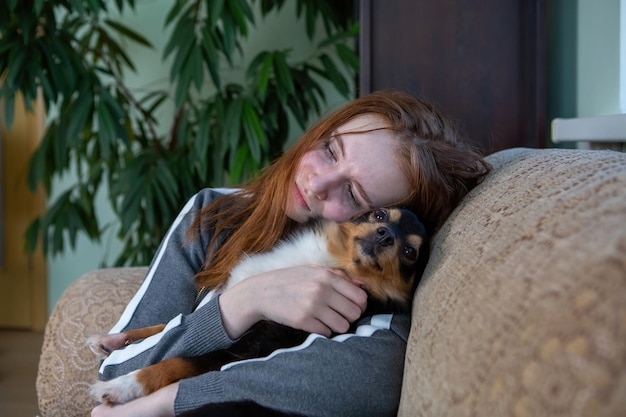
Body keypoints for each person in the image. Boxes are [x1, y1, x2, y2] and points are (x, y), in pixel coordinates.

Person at [91, 90, 490, 417]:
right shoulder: (211, 214)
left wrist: (167, 401)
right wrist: (243, 302)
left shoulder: (372, 303)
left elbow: (372, 380)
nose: (319, 182)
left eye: (354, 194)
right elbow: (115, 372)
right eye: (332, 151)